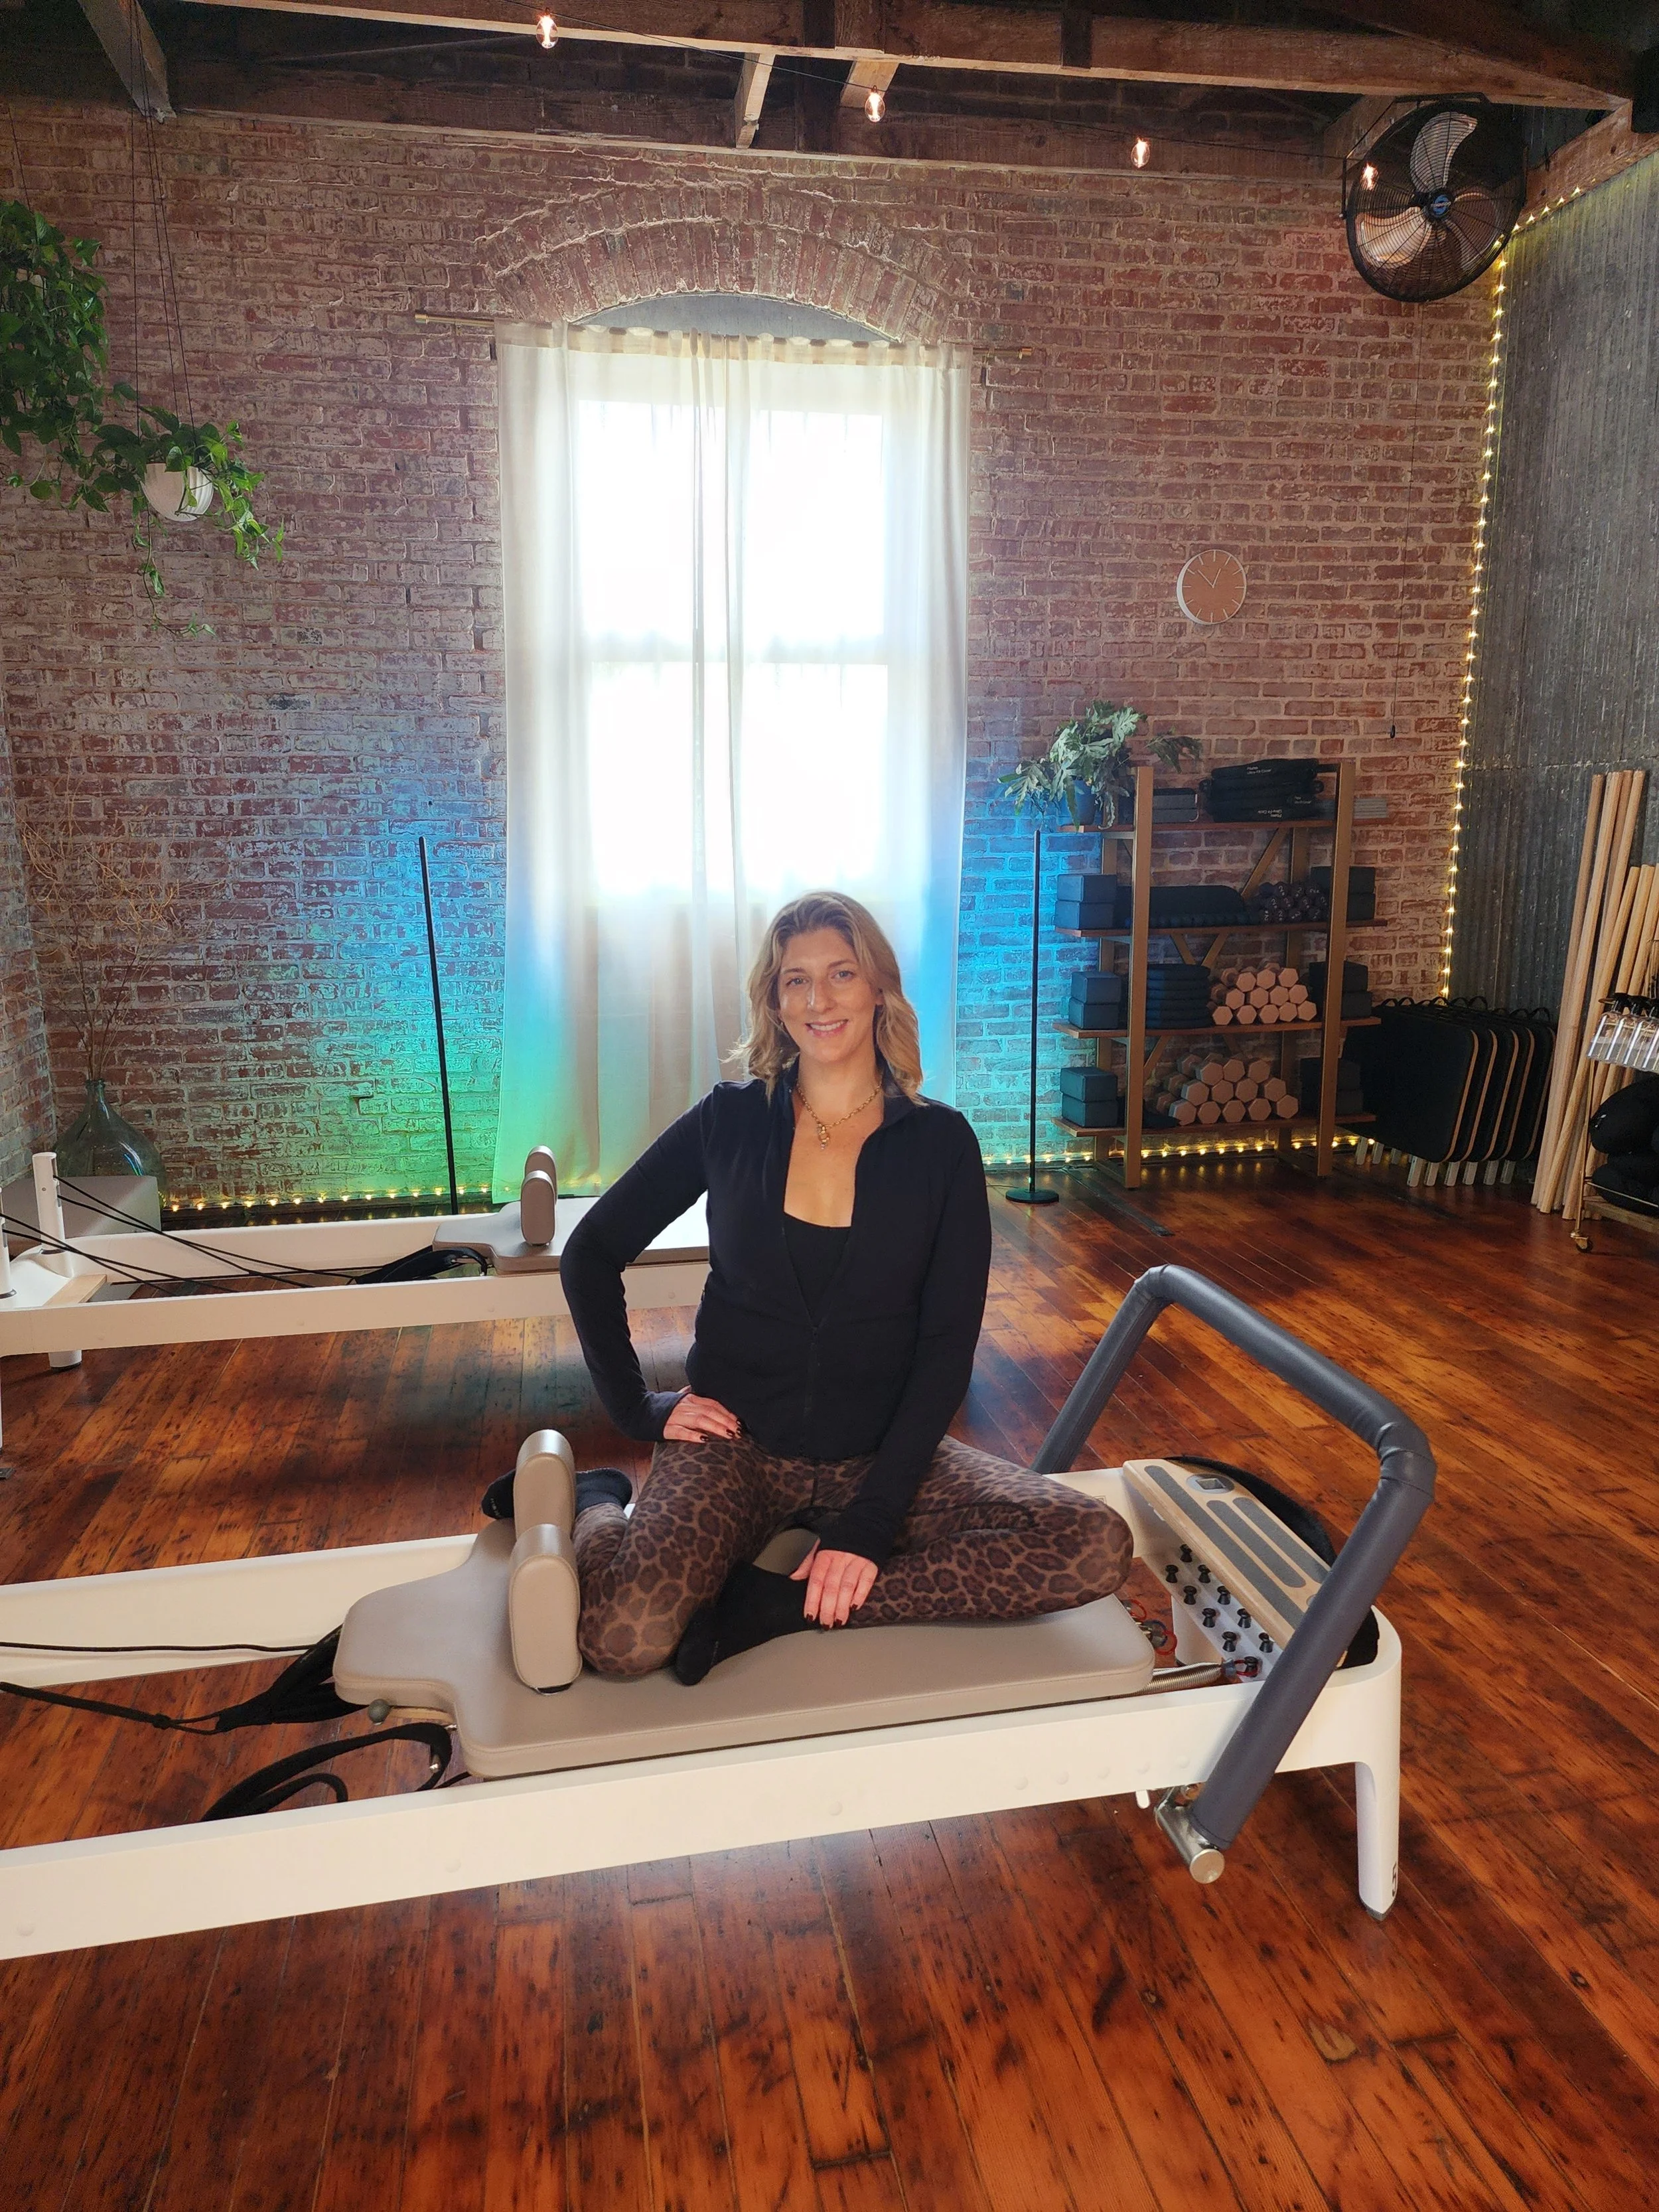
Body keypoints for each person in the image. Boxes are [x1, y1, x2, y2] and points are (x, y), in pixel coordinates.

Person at [546, 889, 1132, 1682]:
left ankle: (773, 1607)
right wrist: (637, 1408)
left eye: (841, 974)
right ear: (774, 999)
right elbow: (591, 1250)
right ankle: (598, 1504)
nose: (818, 1000)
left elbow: (944, 1347)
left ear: (878, 988)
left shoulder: (941, 1145)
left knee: (1089, 1543)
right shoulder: (730, 1120)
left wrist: (869, 1522)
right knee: (623, 1639)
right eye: (795, 980)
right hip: (736, 1448)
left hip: (882, 1449)